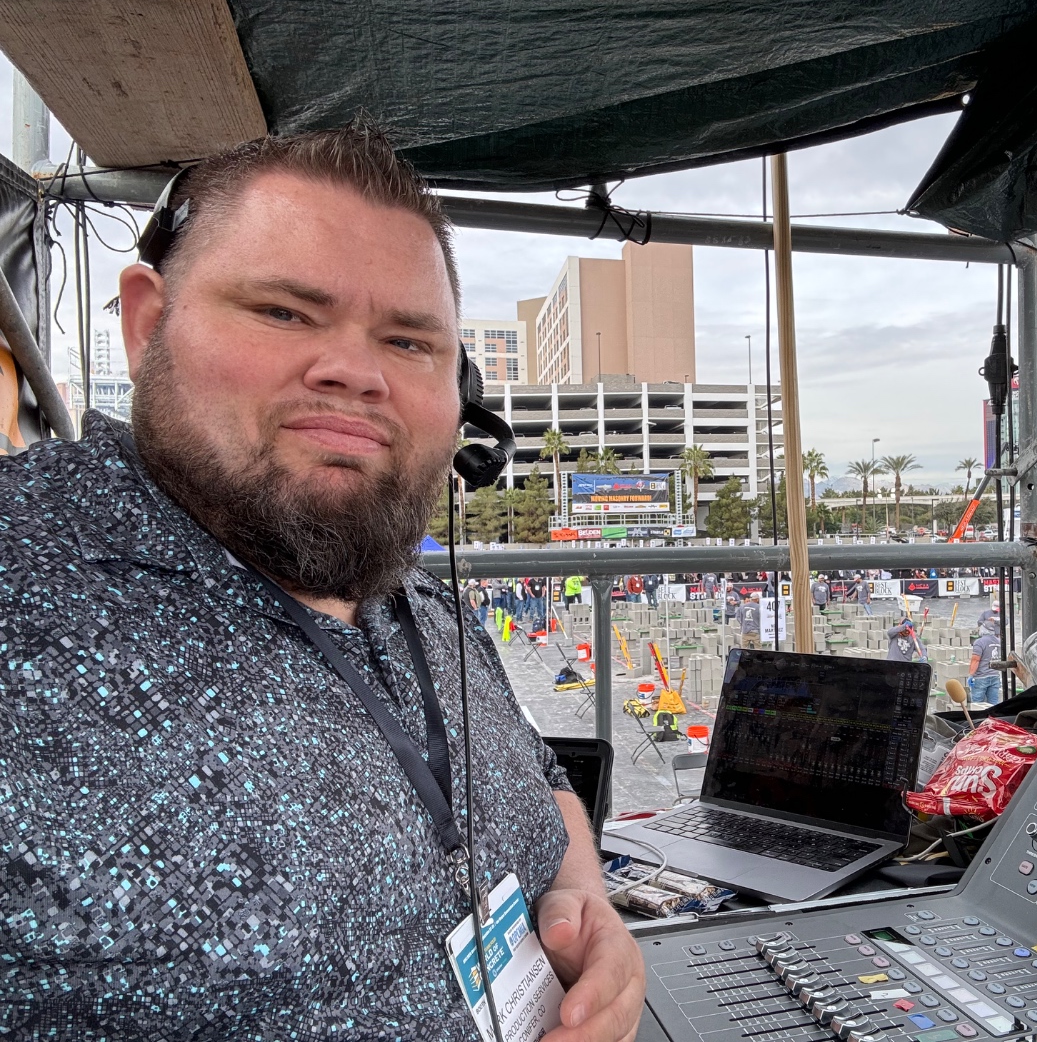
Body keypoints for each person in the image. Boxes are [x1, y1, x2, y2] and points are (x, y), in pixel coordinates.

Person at [0, 125, 643, 1038]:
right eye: (285, 313)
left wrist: (585, 900)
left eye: (410, 341)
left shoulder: (413, 593)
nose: (355, 372)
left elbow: (539, 778)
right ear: (149, 323)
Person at [969, 619, 1004, 705]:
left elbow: (975, 660)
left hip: (981, 677)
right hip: (995, 676)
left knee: (977, 705)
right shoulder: (999, 641)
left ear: (983, 629)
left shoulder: (979, 642)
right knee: (993, 704)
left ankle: (979, 718)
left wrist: (971, 675)